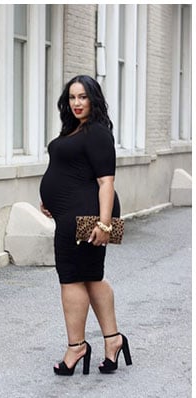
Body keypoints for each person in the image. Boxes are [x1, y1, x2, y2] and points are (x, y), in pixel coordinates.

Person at [39, 75, 132, 376]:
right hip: (71, 212)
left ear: (94, 99)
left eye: (83, 97)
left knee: (71, 277)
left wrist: (104, 225)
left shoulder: (97, 132)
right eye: (72, 98)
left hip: (87, 215)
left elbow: (106, 181)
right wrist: (51, 199)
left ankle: (76, 346)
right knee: (92, 276)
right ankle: (113, 340)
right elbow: (69, 171)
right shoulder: (74, 130)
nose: (77, 103)